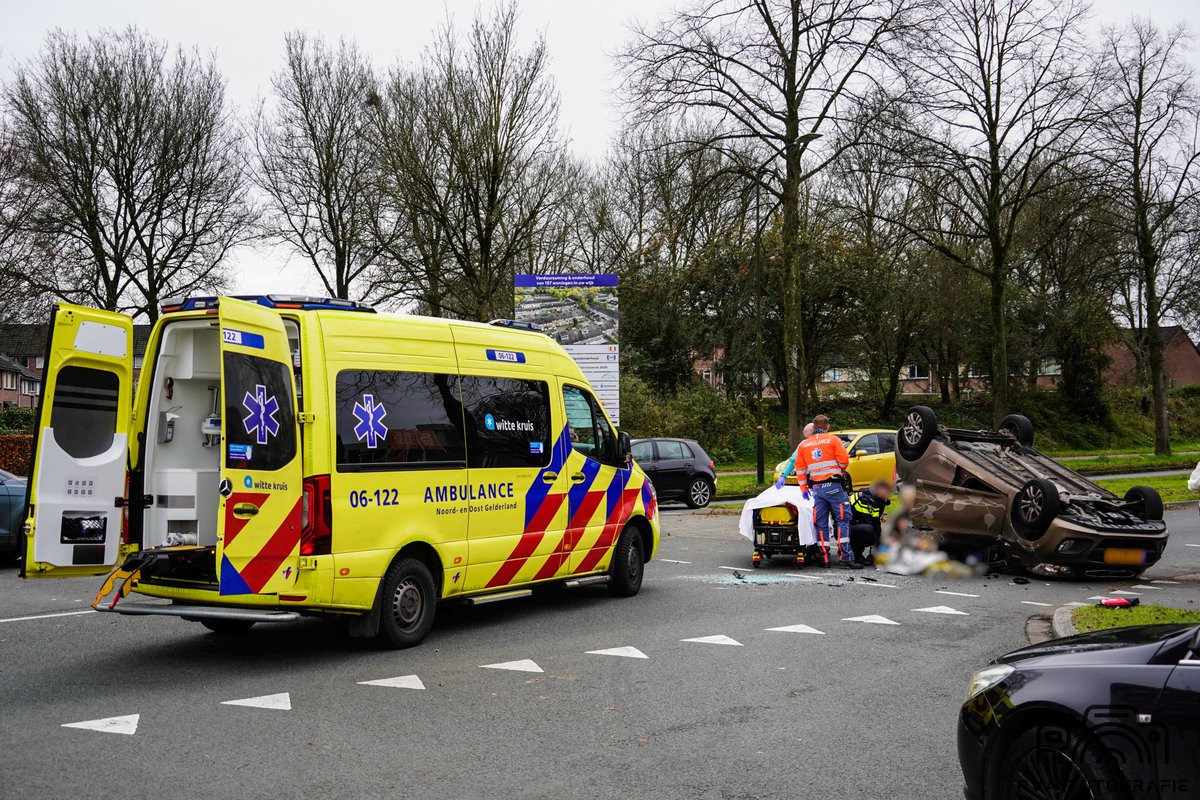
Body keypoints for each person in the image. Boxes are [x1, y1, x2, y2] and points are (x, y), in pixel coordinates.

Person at [775, 414, 858, 568]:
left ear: (813, 427)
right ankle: (846, 558)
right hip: (834, 488)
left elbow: (799, 467)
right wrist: (840, 470)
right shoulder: (833, 440)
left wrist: (804, 488)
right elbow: (844, 460)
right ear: (828, 427)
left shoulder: (804, 445)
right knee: (842, 520)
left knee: (820, 524)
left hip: (817, 490)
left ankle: (824, 559)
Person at [849, 480, 891, 566]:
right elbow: (868, 522)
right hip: (848, 529)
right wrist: (879, 545)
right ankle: (856, 554)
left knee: (880, 533)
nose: (887, 495)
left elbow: (876, 523)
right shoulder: (865, 499)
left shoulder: (879, 499)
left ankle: (869, 555)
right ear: (878, 489)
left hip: (858, 526)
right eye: (886, 492)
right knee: (867, 529)